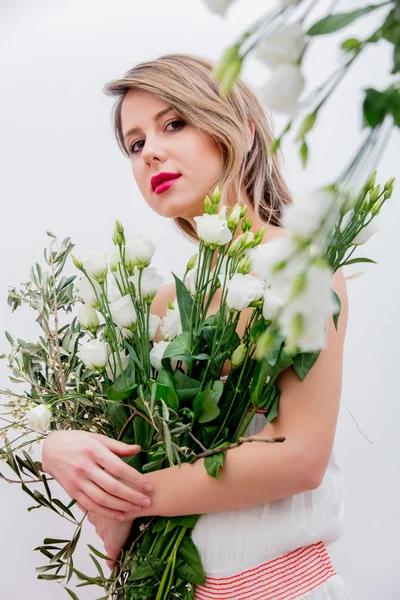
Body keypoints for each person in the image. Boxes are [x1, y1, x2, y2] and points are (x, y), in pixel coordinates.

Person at [42, 53, 350, 599]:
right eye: (135, 144)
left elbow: (300, 459)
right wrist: (54, 446)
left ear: (244, 129)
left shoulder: (300, 268)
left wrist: (126, 498)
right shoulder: (154, 307)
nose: (150, 152)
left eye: (173, 123)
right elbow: (120, 442)